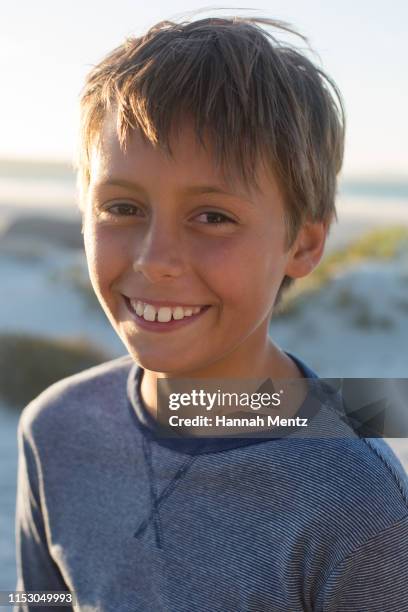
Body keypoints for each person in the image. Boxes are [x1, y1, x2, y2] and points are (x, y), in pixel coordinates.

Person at [15, 15, 408, 611]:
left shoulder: (357, 503)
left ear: (302, 245)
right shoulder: (55, 428)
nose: (157, 261)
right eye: (122, 207)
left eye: (213, 217)